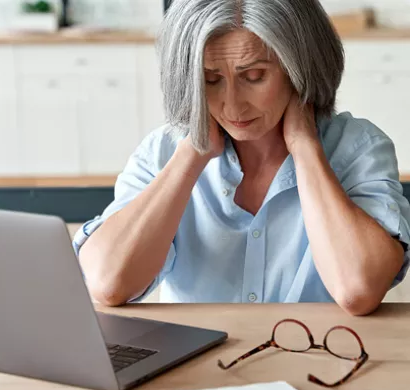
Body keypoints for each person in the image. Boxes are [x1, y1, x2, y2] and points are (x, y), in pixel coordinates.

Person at [74, 0, 410, 316]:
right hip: (201, 358)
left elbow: (358, 290)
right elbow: (109, 284)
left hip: (316, 354)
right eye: (210, 80)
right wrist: (192, 156)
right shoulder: (161, 152)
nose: (233, 106)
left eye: (254, 77)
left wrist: (305, 147)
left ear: (300, 68)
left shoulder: (357, 148)